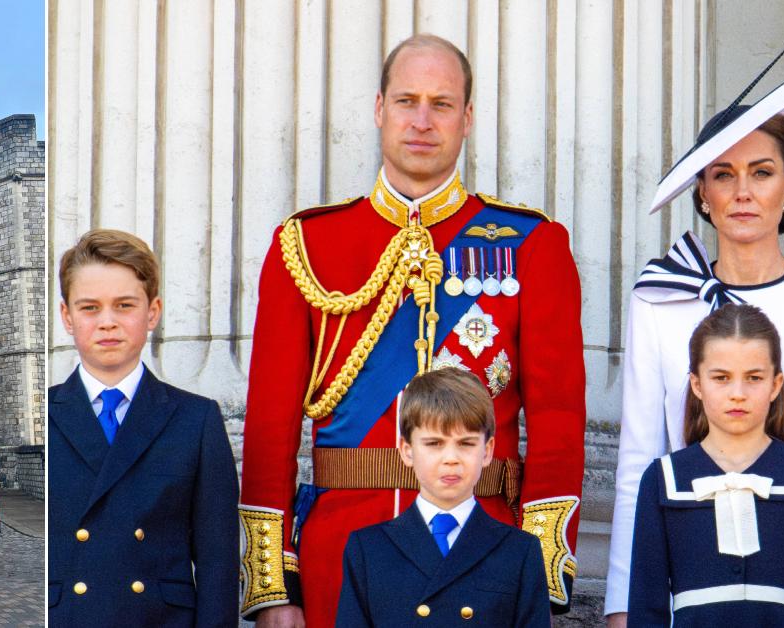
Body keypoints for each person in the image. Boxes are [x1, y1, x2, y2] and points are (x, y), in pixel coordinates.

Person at [239, 34, 585, 626]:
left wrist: (543, 572)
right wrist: (274, 587)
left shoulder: (532, 245)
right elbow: (270, 424)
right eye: (406, 101)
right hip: (340, 555)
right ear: (379, 109)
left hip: (485, 554)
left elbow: (557, 422)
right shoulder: (306, 244)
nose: (422, 120)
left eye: (442, 104)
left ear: (467, 117)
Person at [606, 68, 784, 626]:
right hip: (689, 577)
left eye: (761, 173)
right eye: (722, 175)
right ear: (702, 195)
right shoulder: (661, 300)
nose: (741, 192)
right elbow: (637, 459)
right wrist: (621, 604)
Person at [47, 229, 238, 627]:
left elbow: (217, 563)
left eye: (124, 305)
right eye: (90, 308)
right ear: (67, 317)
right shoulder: (47, 412)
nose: (107, 323)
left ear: (152, 312)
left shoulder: (196, 420)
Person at [627, 304, 784, 626]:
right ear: (697, 384)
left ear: (776, 384)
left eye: (754, 378)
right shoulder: (663, 479)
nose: (738, 394)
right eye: (721, 378)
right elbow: (646, 610)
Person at [336, 368, 549, 627]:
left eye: (466, 443)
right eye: (434, 443)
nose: (451, 458)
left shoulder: (520, 551)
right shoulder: (368, 549)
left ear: (487, 450)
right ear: (407, 450)